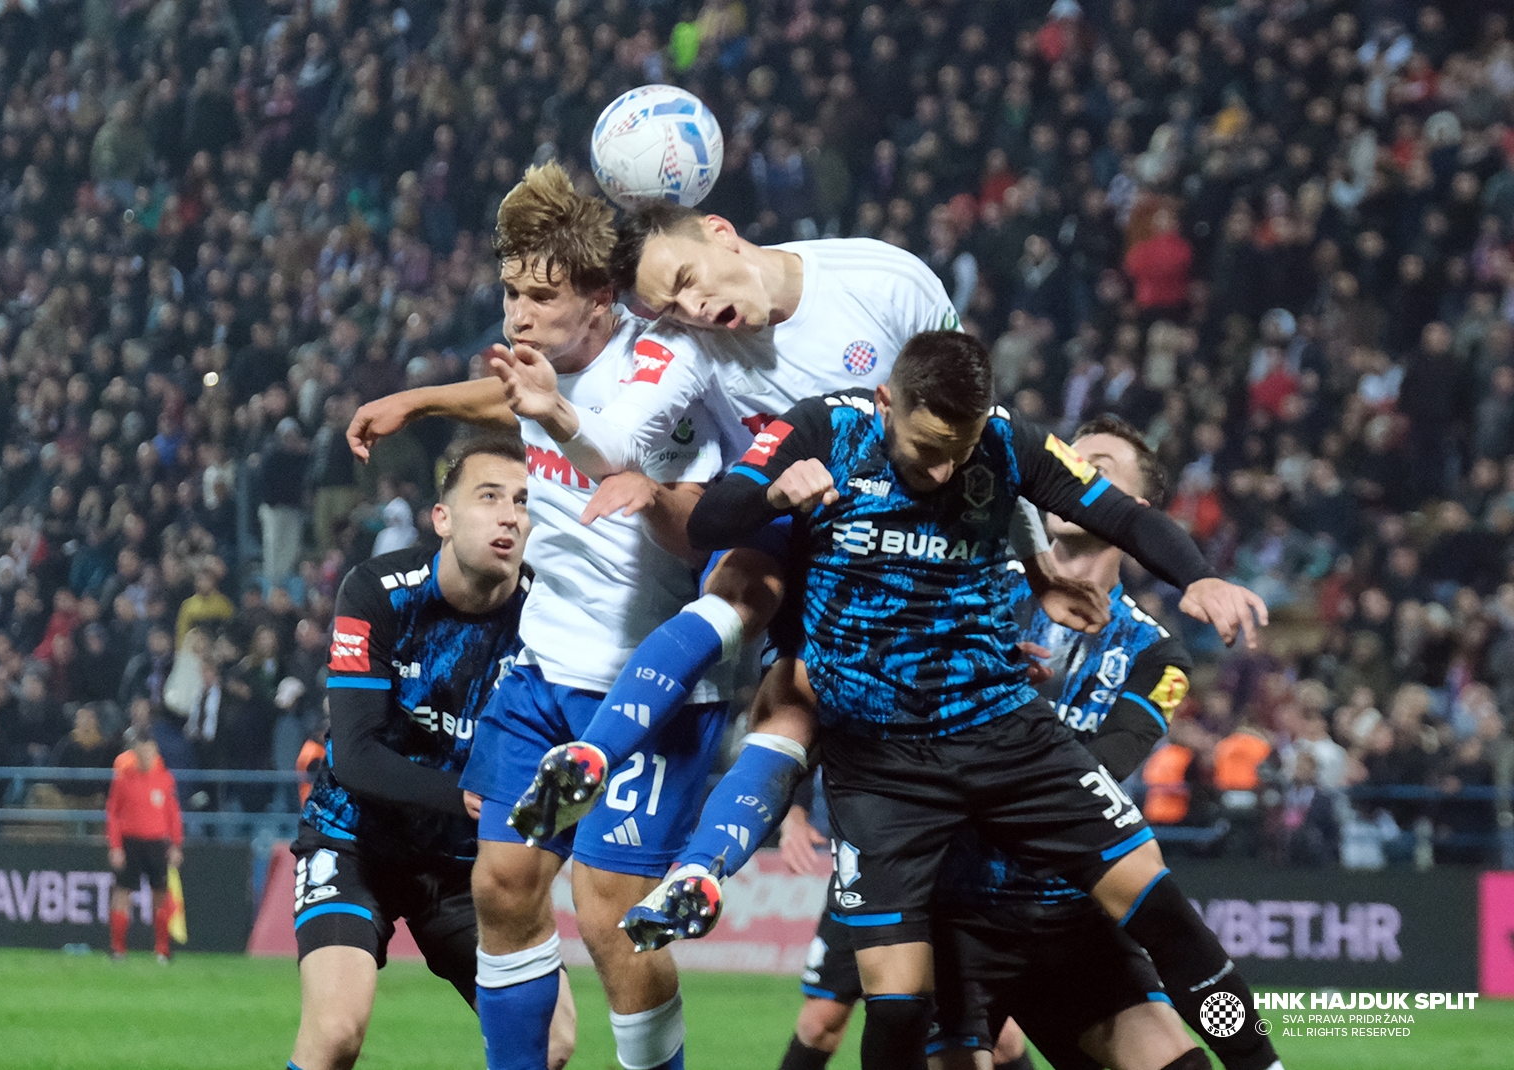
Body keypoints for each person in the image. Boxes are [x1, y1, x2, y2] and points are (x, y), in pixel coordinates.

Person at [363, 200, 1103, 853]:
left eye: (687, 279)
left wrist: (1034, 566)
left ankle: (731, 866)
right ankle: (609, 775)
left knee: (802, 699)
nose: (690, 307)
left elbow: (981, 433)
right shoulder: (688, 347)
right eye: (670, 306)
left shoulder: (885, 280)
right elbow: (615, 436)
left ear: (722, 233)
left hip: (914, 539)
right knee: (746, 603)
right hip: (791, 519)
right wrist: (553, 413)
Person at [666, 332, 1279, 1070]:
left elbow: (1122, 515)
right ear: (887, 402)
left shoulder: (1005, 446)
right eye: (926, 447)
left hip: (1005, 748)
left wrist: (1199, 576)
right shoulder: (827, 429)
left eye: (958, 449)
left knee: (1162, 906)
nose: (943, 469)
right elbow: (707, 521)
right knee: (886, 1007)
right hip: (886, 771)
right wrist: (771, 494)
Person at [352, 163, 745, 1070]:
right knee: (505, 883)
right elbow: (514, 401)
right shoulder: (542, 367)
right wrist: (419, 402)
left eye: (541, 295)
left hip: (655, 690)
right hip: (541, 676)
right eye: (509, 292)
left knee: (612, 915)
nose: (516, 315)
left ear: (603, 299)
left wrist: (647, 492)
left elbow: (699, 539)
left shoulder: (664, 372)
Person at [777, 415, 1209, 1070]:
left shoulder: (1156, 654)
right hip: (936, 895)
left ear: (1130, 510)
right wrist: (792, 792)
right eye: (1068, 461)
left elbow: (1101, 767)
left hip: (1058, 905)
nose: (1073, 474)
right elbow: (852, 682)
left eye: (1096, 469)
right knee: (828, 1021)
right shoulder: (966, 582)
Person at [287, 431, 571, 1070]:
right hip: (354, 841)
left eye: (524, 503)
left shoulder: (550, 616)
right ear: (442, 518)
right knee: (334, 1036)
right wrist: (472, 798)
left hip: (466, 865)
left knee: (551, 1043)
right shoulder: (379, 592)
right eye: (489, 496)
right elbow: (355, 756)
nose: (509, 515)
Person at [105, 730, 183, 963]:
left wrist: (176, 844)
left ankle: (162, 950)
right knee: (122, 893)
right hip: (131, 842)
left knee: (160, 894)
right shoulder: (124, 778)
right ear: (135, 754)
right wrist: (115, 846)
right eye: (141, 752)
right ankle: (118, 949)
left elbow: (173, 814)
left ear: (155, 753)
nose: (146, 757)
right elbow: (113, 814)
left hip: (157, 842)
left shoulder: (165, 778)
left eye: (150, 752)